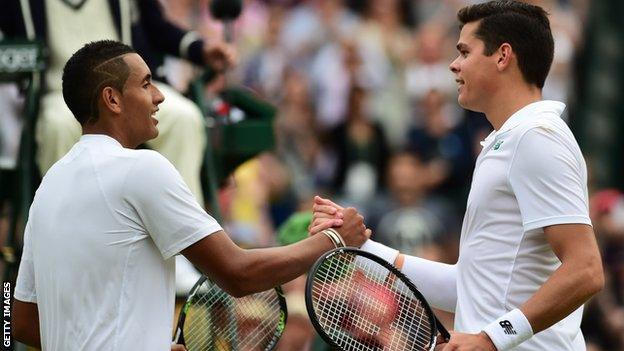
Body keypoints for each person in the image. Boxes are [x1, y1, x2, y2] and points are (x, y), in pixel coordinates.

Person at [10, 40, 370, 351]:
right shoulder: (142, 168)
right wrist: (334, 239)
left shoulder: (48, 187)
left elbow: (20, 320)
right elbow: (237, 273)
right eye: (147, 84)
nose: (159, 96)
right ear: (112, 99)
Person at [310, 1, 604, 350]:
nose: (454, 64)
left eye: (464, 52)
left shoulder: (536, 137)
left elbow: (586, 270)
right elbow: (466, 288)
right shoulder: (507, 141)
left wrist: (492, 338)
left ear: (502, 56)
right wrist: (362, 248)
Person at [0, 0, 236, 205]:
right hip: (58, 93)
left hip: (132, 85)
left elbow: (155, 27)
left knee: (183, 117)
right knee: (58, 126)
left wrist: (200, 49)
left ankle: (186, 241)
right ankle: (72, 233)